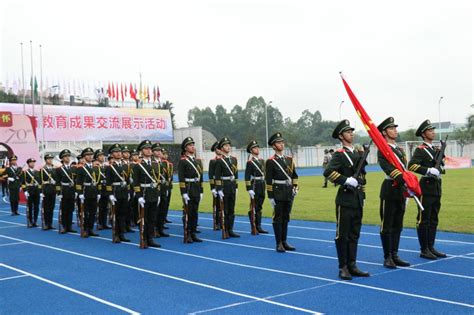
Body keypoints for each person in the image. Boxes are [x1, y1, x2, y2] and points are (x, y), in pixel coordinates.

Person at [323, 120, 369, 280]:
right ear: (341, 136)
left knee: (354, 233)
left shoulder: (357, 154)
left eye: (351, 131)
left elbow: (362, 177)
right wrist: (346, 180)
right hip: (345, 199)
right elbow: (328, 172)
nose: (351, 133)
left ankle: (352, 264)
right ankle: (343, 267)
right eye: (348, 132)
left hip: (356, 199)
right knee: (342, 234)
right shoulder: (339, 154)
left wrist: (362, 195)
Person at [408, 120, 447, 260]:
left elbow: (440, 166)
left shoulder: (434, 149)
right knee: (424, 219)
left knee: (433, 218)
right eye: (430, 130)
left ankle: (431, 247)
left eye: (433, 130)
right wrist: (428, 170)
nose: (433, 132)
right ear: (424, 134)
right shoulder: (420, 150)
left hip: (436, 186)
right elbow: (411, 166)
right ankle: (424, 249)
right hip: (426, 185)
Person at [377, 117, 410, 268]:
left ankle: (395, 254)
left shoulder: (399, 149)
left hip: (401, 189)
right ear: (384, 132)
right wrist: (403, 178)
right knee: (387, 224)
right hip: (390, 188)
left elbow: (405, 167)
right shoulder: (383, 149)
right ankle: (387, 256)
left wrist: (408, 183)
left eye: (395, 128)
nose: (395, 130)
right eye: (391, 128)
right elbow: (388, 168)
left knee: (398, 224)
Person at [265, 133, 298, 252]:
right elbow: (268, 180)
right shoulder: (270, 161)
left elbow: (294, 175)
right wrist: (270, 196)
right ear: (274, 146)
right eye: (279, 143)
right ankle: (278, 243)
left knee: (286, 217)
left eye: (282, 142)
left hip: (289, 192)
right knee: (278, 218)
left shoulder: (289, 159)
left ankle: (284, 241)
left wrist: (295, 186)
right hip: (278, 192)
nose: (281, 144)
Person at [133, 140, 161, 248]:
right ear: (141, 151)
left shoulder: (156, 164)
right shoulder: (138, 166)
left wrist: (158, 194)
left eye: (150, 148)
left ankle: (150, 238)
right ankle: (143, 238)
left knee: (152, 217)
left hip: (153, 193)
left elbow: (157, 180)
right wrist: (139, 196)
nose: (149, 150)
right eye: (146, 149)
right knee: (144, 217)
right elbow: (136, 183)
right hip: (144, 194)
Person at [178, 137, 204, 243]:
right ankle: (187, 233)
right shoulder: (183, 161)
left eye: (193, 145)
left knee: (195, 212)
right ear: (185, 148)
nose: (192, 147)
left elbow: (201, 176)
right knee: (188, 212)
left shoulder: (197, 161)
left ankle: (193, 233)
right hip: (188, 188)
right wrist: (183, 192)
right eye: (190, 145)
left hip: (196, 188)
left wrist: (201, 190)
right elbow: (181, 178)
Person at [105, 144, 131, 243]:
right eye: (116, 152)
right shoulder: (110, 167)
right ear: (112, 154)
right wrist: (110, 194)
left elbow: (127, 180)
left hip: (124, 192)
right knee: (115, 214)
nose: (119, 153)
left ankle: (122, 234)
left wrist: (128, 192)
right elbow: (108, 182)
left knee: (123, 214)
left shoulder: (125, 166)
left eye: (119, 151)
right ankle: (116, 234)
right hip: (115, 192)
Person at [214, 137, 239, 238]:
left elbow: (236, 174)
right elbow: (217, 176)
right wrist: (219, 189)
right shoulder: (219, 161)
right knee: (226, 210)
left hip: (232, 186)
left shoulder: (234, 159)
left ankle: (231, 229)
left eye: (229, 145)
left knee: (232, 210)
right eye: (225, 145)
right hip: (225, 187)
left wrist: (236, 187)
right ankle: (225, 230)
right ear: (221, 148)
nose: (228, 147)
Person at [75, 147, 100, 238]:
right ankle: (85, 229)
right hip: (86, 192)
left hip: (94, 191)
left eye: (91, 155)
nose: (90, 156)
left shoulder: (96, 168)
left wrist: (99, 192)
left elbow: (98, 181)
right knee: (85, 212)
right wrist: (80, 193)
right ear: (84, 157)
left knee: (93, 212)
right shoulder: (81, 168)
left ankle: (90, 228)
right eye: (87, 155)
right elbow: (78, 182)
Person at [244, 140, 268, 234]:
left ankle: (259, 226)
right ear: (251, 150)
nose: (257, 149)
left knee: (259, 206)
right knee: (254, 206)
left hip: (262, 184)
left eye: (257, 147)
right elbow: (246, 177)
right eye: (254, 148)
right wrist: (249, 189)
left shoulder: (262, 161)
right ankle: (253, 226)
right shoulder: (250, 162)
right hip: (255, 185)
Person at [56, 149, 77, 233]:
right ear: (62, 158)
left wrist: (76, 191)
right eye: (65, 156)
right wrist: (58, 193)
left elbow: (76, 180)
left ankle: (69, 226)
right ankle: (64, 226)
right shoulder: (59, 170)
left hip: (72, 190)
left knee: (71, 209)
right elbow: (57, 182)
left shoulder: (73, 169)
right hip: (64, 191)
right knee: (64, 209)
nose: (68, 158)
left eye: (68, 156)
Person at [152, 143, 169, 238]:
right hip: (155, 190)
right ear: (153, 152)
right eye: (156, 151)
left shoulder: (163, 163)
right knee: (155, 211)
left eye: (160, 151)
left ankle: (160, 228)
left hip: (163, 189)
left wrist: (166, 188)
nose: (159, 152)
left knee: (163, 209)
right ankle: (154, 229)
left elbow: (166, 177)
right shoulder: (152, 163)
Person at [21, 158, 41, 227]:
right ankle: (30, 221)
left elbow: (40, 183)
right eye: (31, 162)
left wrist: (40, 192)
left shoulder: (37, 172)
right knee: (29, 207)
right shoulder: (25, 173)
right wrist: (25, 191)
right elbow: (23, 183)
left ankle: (35, 221)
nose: (32, 164)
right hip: (29, 191)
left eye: (33, 162)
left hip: (36, 191)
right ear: (28, 164)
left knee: (36, 207)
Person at [40, 153, 57, 230]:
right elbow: (40, 181)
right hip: (46, 190)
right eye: (48, 159)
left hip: (53, 190)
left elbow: (57, 179)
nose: (50, 160)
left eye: (51, 159)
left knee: (52, 207)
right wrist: (41, 192)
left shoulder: (55, 169)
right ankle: (46, 223)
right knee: (46, 208)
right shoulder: (42, 169)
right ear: (46, 160)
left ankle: (50, 223)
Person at [95, 149, 111, 230]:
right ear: (97, 157)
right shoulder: (95, 167)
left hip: (106, 189)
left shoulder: (106, 166)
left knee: (106, 207)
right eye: (100, 156)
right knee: (100, 207)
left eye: (103, 155)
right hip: (99, 189)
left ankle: (104, 223)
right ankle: (100, 223)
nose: (102, 157)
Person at [208, 141, 222, 230]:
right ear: (215, 150)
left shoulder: (225, 160)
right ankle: (217, 222)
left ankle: (223, 222)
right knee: (217, 205)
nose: (220, 150)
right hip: (217, 186)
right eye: (218, 148)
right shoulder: (213, 161)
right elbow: (211, 176)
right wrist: (212, 188)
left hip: (225, 184)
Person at [161, 148, 173, 226]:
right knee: (162, 204)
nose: (165, 155)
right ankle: (161, 219)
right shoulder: (160, 163)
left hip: (168, 186)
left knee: (167, 203)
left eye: (166, 154)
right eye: (163, 154)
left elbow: (170, 176)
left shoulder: (170, 164)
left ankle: (165, 217)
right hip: (162, 186)